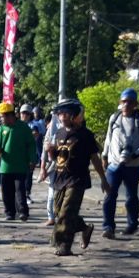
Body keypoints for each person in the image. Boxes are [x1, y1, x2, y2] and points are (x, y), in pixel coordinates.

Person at [48, 100, 108, 256]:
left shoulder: (85, 135)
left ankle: (64, 245)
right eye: (60, 114)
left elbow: (94, 158)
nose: (62, 117)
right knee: (59, 212)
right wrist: (50, 152)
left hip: (77, 180)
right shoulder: (59, 133)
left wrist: (103, 178)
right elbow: (58, 157)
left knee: (66, 214)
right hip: (60, 178)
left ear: (75, 115)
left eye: (66, 114)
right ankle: (84, 228)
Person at [101, 88, 139, 240]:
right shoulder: (115, 118)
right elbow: (108, 138)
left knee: (131, 196)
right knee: (110, 195)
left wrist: (134, 155)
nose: (126, 105)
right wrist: (104, 155)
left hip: (132, 165)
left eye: (130, 102)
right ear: (120, 102)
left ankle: (132, 224)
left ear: (135, 104)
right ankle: (108, 226)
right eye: (124, 101)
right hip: (114, 164)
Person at [0, 102, 35, 221]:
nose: (1, 119)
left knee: (20, 190)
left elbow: (31, 145)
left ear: (11, 115)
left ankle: (23, 212)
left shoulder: (23, 128)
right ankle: (9, 212)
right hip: (5, 167)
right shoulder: (1, 129)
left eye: (3, 116)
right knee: (6, 191)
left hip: (20, 166)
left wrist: (32, 159)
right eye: (1, 116)